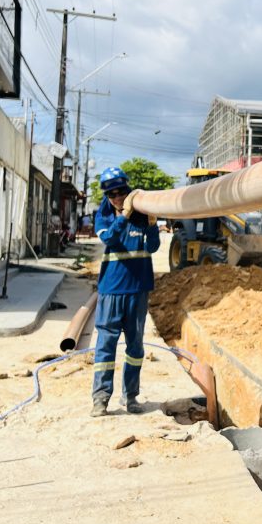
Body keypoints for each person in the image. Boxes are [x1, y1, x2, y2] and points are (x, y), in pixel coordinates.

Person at [91, 166, 161, 417]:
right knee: (105, 346)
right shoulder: (104, 217)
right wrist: (122, 216)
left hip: (138, 290)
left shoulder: (142, 215)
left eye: (122, 192)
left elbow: (153, 247)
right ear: (107, 196)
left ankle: (131, 397)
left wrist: (152, 223)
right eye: (112, 194)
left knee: (135, 348)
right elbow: (109, 239)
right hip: (111, 291)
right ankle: (100, 399)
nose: (118, 197)